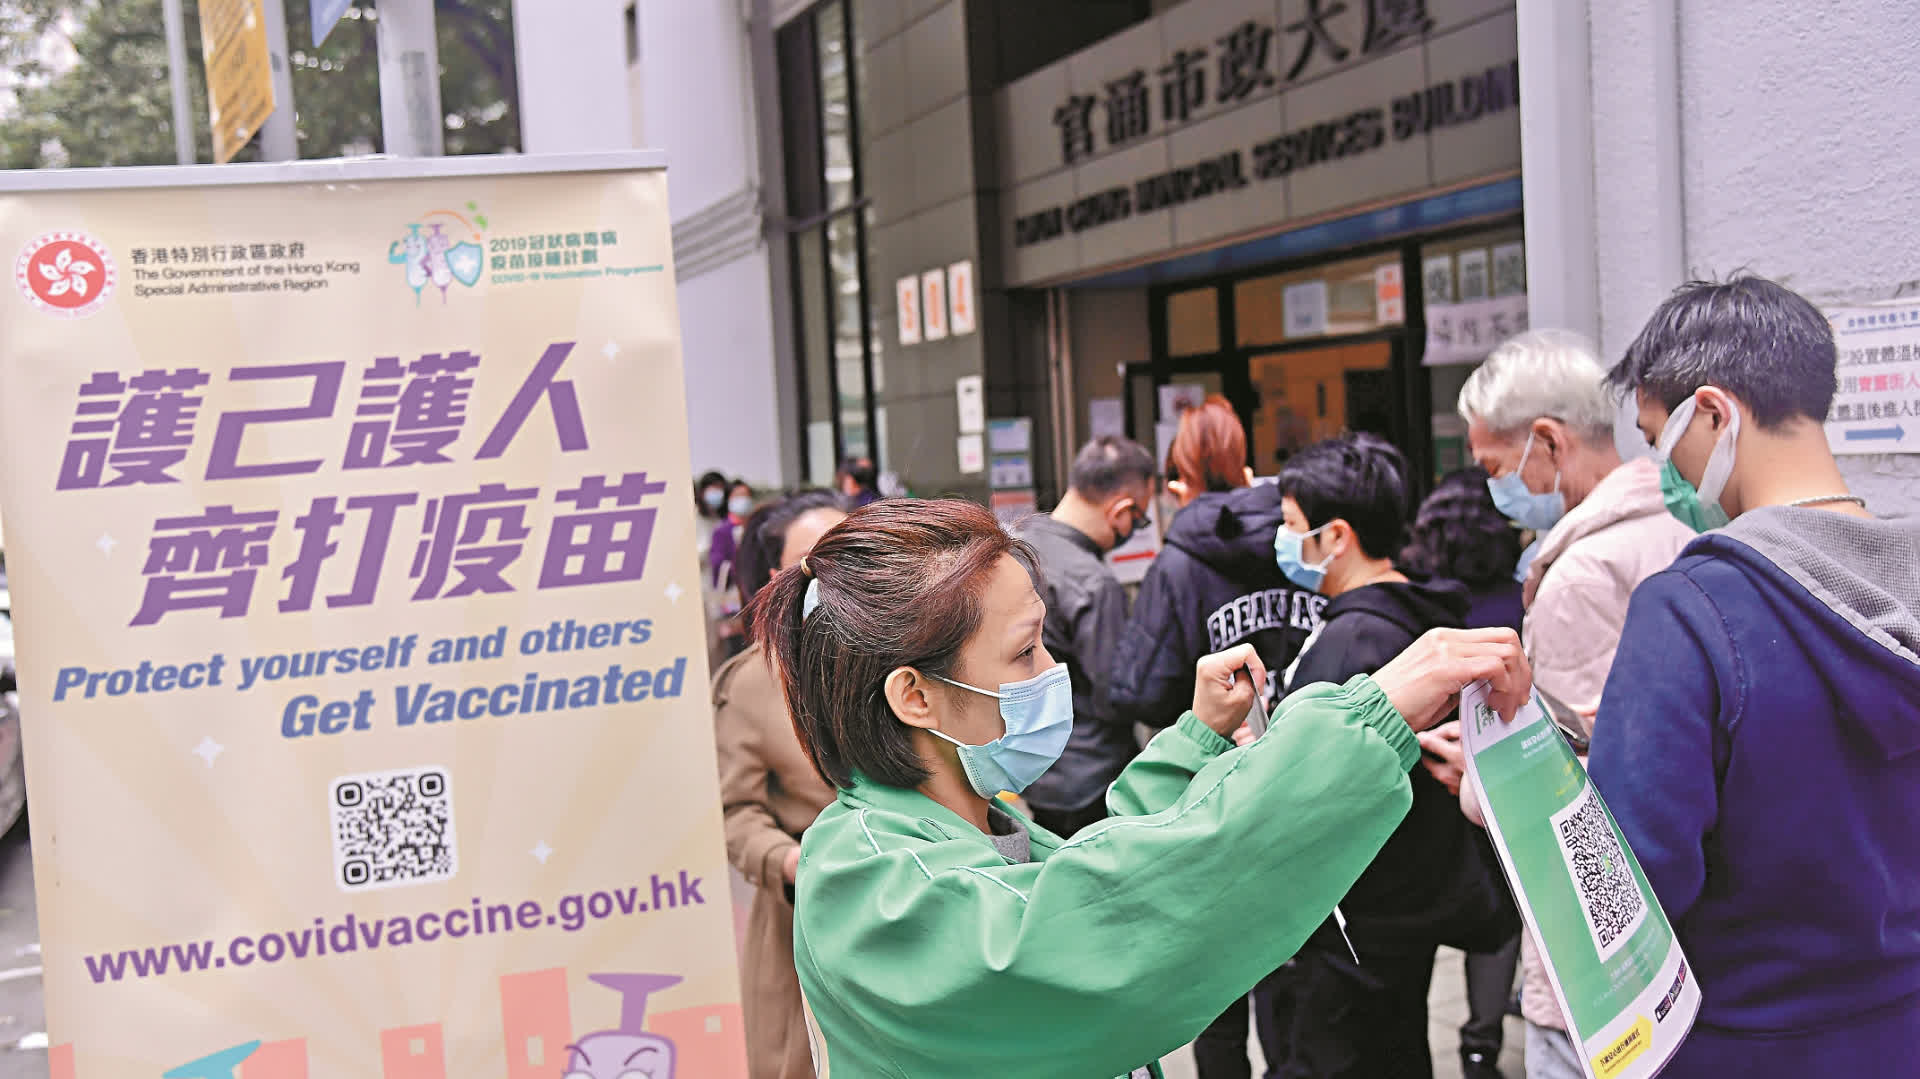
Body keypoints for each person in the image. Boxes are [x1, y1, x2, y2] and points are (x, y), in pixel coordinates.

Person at [746, 497, 1534, 1078]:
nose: (1053, 671)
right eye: (1024, 652)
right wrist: (1365, 718)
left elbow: (1097, 866)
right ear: (914, 695)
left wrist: (1195, 741)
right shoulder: (866, 877)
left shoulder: (969, 822)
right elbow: (1096, 925)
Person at [1588, 276, 1920, 1077]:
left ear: (1713, 413)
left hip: (1743, 1045)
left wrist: (1519, 804)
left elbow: (1628, 893)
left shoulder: (1688, 611)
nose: (1663, 473)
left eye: (1658, 440)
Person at [1453, 328, 1694, 1075]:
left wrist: (1474, 778)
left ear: (1549, 441)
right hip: (1668, 934)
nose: (1495, 489)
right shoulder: (1677, 528)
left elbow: (1568, 790)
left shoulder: (1580, 575)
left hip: (1593, 966)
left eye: (1495, 467)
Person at [1267, 434, 1518, 1079]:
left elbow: (1303, 787)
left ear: (1337, 536)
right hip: (1406, 909)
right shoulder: (1417, 616)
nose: (1282, 539)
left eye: (1291, 525)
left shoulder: (1353, 641)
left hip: (1355, 920)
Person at [1107, 395, 1321, 1078]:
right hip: (1297, 780)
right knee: (1291, 966)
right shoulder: (1299, 540)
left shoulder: (1180, 561)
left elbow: (1136, 687)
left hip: (1211, 792)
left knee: (1215, 987)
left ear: (1180, 477)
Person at [714, 490, 848, 1079]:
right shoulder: (752, 683)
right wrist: (792, 863)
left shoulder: (908, 657)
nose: (840, 577)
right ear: (779, 581)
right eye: (817, 563)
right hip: (809, 920)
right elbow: (736, 814)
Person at [1399, 466, 1525, 1079]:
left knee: (1423, 909)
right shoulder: (1517, 599)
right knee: (1498, 915)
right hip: (1494, 773)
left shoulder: (1420, 603)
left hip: (1428, 777)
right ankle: (1481, 1043)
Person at [1012, 436, 1158, 838]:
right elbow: (1117, 695)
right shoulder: (1093, 584)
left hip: (1034, 769)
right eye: (1139, 518)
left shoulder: (1018, 544)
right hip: (1092, 776)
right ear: (1121, 510)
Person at [709, 479, 757, 659]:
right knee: (736, 649)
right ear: (729, 499)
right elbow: (717, 563)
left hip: (755, 596)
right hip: (732, 599)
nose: (742, 500)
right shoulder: (722, 530)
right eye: (738, 496)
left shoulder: (755, 527)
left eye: (746, 496)